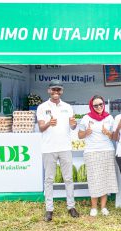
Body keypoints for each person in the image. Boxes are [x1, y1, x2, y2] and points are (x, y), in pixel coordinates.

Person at [37, 79, 80, 222]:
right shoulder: (42, 107)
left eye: (58, 90)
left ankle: (71, 206)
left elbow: (73, 126)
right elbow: (41, 128)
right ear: (49, 90)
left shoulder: (68, 107)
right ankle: (49, 209)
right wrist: (49, 123)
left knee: (68, 178)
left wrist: (74, 125)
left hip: (65, 147)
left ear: (62, 91)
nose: (56, 92)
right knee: (49, 179)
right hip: (49, 148)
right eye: (53, 89)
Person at [78, 95, 118, 217]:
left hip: (107, 150)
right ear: (91, 106)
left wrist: (108, 133)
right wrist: (86, 132)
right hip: (92, 152)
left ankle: (104, 207)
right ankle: (94, 207)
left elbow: (115, 137)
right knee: (94, 179)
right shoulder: (86, 118)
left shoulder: (110, 118)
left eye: (101, 104)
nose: (99, 107)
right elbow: (80, 135)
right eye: (96, 105)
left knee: (105, 178)